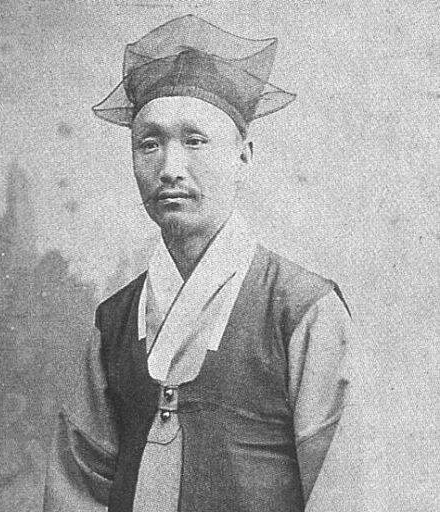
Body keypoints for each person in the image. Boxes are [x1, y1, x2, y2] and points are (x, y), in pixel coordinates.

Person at [43, 14, 355, 512]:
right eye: (149, 144)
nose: (170, 169)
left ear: (243, 156)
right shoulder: (114, 321)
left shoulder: (303, 311)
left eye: (194, 140)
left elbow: (346, 493)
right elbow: (75, 492)